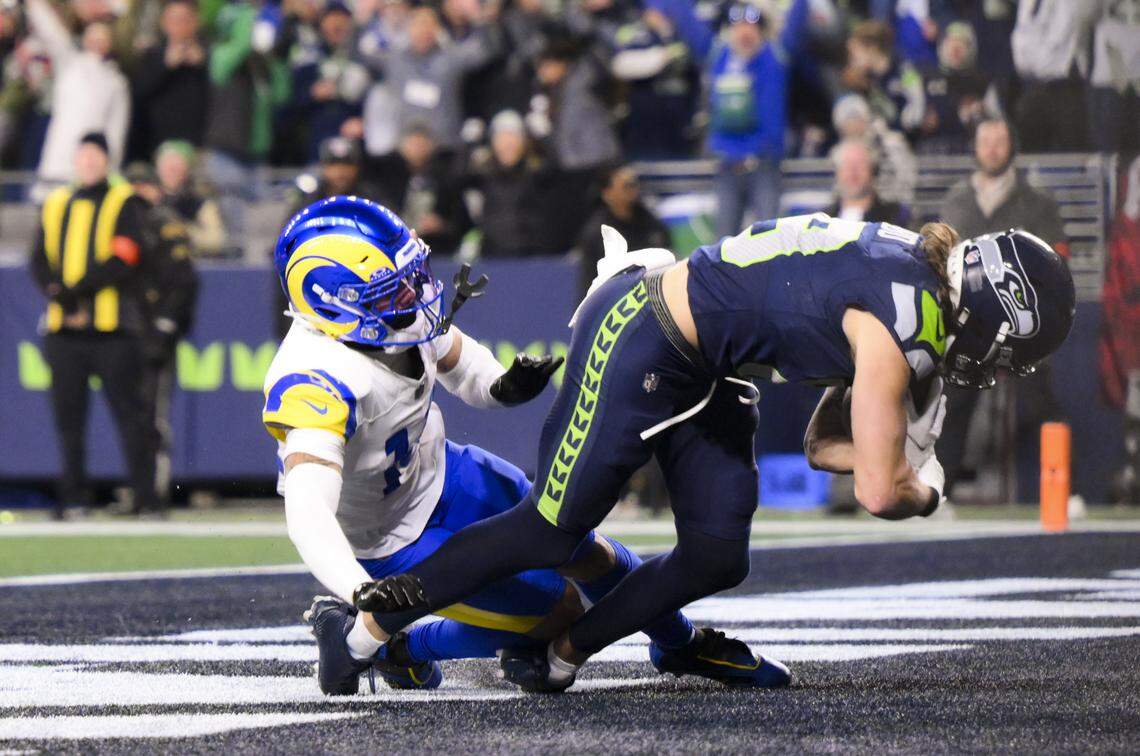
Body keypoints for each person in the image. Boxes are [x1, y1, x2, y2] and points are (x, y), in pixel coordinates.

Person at [351, 210, 1076, 693]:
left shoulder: (911, 270)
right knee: (549, 530)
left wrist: (891, 460)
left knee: (717, 550)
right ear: (994, 313)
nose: (1003, 363)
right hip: (645, 329)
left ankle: (563, 655)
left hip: (699, 363)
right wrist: (927, 487)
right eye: (1014, 349)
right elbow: (881, 494)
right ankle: (372, 629)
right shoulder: (902, 321)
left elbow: (823, 447)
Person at [267, 196, 750, 695]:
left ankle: (680, 642)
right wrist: (355, 586)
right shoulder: (312, 380)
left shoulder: (394, 318)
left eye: (412, 276)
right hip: (392, 537)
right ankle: (395, 646)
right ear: (334, 303)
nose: (415, 294)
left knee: (586, 551)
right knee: (559, 611)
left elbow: (456, 359)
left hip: (451, 474)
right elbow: (308, 511)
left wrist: (501, 386)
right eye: (394, 290)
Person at [937, 117, 1070, 499]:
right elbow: (941, 261)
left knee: (1040, 407)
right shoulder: (955, 200)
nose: (992, 148)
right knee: (953, 408)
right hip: (970, 327)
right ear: (975, 147)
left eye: (999, 140)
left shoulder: (1037, 203)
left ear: (1012, 145)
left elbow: (1055, 265)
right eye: (985, 140)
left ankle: (1063, 493)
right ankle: (939, 495)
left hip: (1022, 325)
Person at [28, 133, 159, 519]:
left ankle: (144, 496)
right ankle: (73, 496)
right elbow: (38, 259)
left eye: (94, 156)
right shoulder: (56, 203)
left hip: (112, 329)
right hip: (64, 331)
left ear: (106, 161)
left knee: (130, 416)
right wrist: (59, 294)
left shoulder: (123, 201)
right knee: (68, 419)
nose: (87, 163)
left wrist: (76, 292)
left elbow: (126, 256)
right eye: (82, 155)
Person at [651, 0, 810, 237]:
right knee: (723, 244)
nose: (745, 32)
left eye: (751, 26)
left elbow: (796, 24)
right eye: (738, 26)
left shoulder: (775, 56)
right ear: (730, 30)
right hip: (727, 165)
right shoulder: (718, 56)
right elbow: (688, 23)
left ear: (760, 30)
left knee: (773, 240)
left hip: (765, 163)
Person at [124, 161, 199, 514]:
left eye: (143, 186)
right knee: (132, 413)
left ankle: (154, 487)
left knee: (154, 413)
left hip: (153, 327)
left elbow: (183, 280)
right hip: (126, 327)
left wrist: (167, 324)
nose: (138, 193)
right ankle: (138, 486)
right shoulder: (121, 221)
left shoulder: (165, 223)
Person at [26, 0, 130, 192]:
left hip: (92, 169)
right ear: (84, 39)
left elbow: (117, 132)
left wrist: (111, 172)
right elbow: (50, 31)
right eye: (92, 37)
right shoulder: (70, 64)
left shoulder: (117, 82)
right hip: (56, 164)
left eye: (102, 38)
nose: (96, 42)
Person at [368, 123, 471, 254]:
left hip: (436, 251)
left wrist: (442, 226)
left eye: (422, 144)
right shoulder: (385, 176)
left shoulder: (446, 179)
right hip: (391, 249)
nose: (417, 149)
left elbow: (464, 223)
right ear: (401, 146)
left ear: (433, 146)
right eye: (413, 143)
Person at [131, 0, 210, 157]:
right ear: (164, 23)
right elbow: (138, 94)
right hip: (157, 146)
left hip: (197, 147)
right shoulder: (152, 55)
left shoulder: (208, 55)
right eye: (173, 20)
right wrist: (165, 65)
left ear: (196, 22)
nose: (179, 26)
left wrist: (204, 64)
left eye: (185, 19)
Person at [575, 164, 671, 290]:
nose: (633, 190)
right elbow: (589, 282)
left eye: (634, 185)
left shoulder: (653, 225)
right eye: (626, 186)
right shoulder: (595, 233)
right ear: (607, 193)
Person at [154, 140, 227, 258]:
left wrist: (186, 231)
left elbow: (216, 240)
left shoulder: (199, 203)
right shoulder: (147, 199)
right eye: (166, 164)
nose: (171, 169)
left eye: (177, 164)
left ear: (187, 169)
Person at [823, 138, 911, 228]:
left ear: (873, 170)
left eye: (860, 164)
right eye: (847, 165)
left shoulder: (895, 216)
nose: (853, 172)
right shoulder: (823, 220)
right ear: (837, 171)